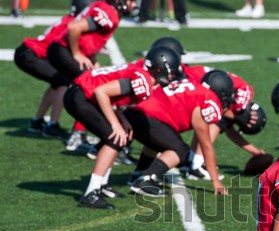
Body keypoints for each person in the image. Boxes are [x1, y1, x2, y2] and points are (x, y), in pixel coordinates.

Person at [65, 45, 182, 209]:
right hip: (81, 96)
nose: (172, 75)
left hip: (83, 94)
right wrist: (115, 124)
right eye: (171, 71)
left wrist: (122, 120)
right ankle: (90, 193)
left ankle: (101, 185)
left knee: (120, 138)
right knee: (113, 138)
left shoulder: (144, 75)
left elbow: (114, 97)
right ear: (158, 69)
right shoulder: (143, 80)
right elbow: (101, 92)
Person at [124, 69, 231, 196]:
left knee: (159, 140)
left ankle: (139, 173)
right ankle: (145, 181)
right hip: (148, 118)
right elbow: (206, 145)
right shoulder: (206, 98)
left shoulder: (192, 85)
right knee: (181, 152)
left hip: (133, 115)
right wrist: (216, 182)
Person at [47, 0, 137, 143]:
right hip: (63, 50)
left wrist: (94, 62)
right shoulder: (109, 13)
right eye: (131, 1)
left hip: (63, 49)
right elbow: (74, 28)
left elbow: (88, 40)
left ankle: (78, 132)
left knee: (92, 82)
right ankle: (78, 135)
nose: (134, 5)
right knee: (88, 88)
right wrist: (77, 54)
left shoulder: (108, 10)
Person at [13, 0, 92, 137]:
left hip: (28, 52)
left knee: (57, 82)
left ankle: (37, 121)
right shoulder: (74, 24)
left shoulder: (69, 19)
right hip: (31, 54)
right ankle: (52, 125)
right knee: (64, 81)